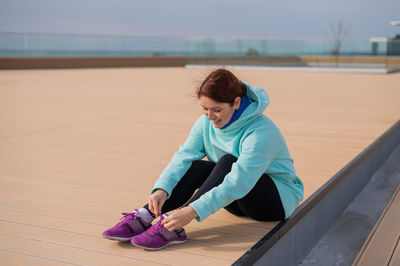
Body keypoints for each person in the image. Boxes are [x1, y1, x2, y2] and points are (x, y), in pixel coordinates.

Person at [102, 68, 304, 250]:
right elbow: (184, 156)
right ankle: (147, 215)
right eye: (205, 109)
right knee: (197, 165)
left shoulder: (261, 131)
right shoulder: (205, 123)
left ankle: (172, 226)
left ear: (236, 103)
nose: (210, 116)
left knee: (228, 162)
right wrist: (162, 189)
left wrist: (191, 211)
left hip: (274, 203)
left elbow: (240, 181)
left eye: (217, 109)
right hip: (235, 199)